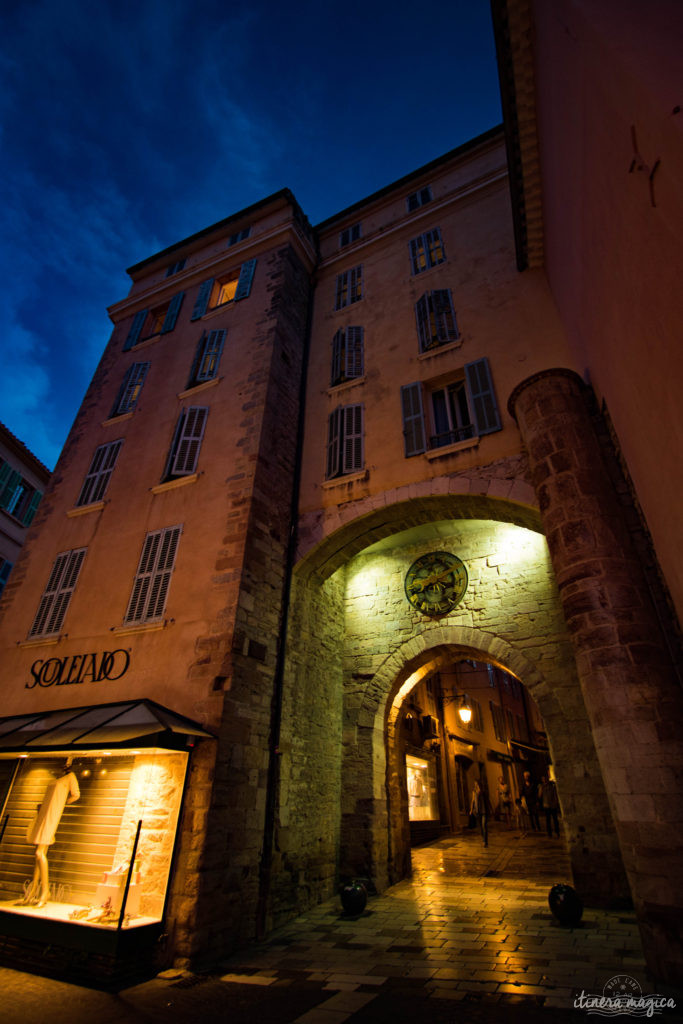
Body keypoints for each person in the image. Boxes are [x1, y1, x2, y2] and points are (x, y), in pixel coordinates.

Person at [19, 760, 80, 907]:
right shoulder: (57, 780)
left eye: (67, 763)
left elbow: (75, 795)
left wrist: (63, 803)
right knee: (38, 855)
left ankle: (45, 891)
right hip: (44, 812)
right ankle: (33, 891)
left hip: (52, 814)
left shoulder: (71, 777)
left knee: (40, 854)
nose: (64, 765)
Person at [470, 780, 491, 847]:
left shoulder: (484, 792)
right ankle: (483, 838)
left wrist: (490, 809)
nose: (476, 785)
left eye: (477, 784)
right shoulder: (474, 792)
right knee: (481, 827)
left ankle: (485, 841)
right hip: (477, 811)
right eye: (475, 784)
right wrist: (471, 810)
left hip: (484, 811)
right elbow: (472, 801)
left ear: (480, 784)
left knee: (484, 825)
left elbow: (487, 801)